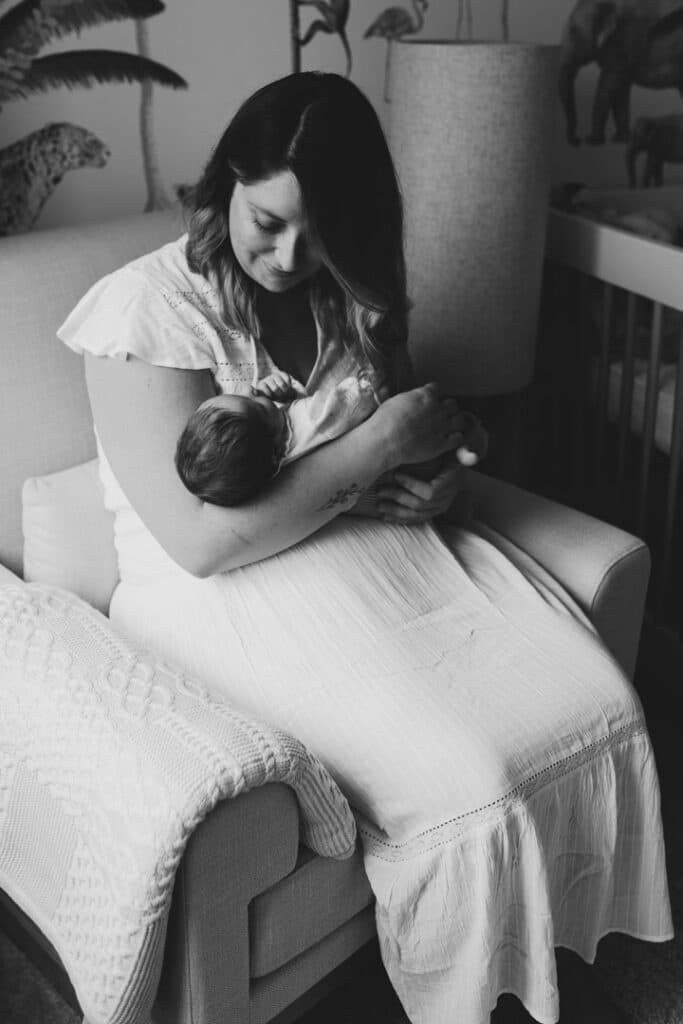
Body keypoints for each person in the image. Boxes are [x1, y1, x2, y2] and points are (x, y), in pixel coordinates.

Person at [57, 72, 672, 1024]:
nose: (289, 254)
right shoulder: (143, 313)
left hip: (366, 547)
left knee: (595, 699)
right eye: (268, 221)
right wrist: (379, 446)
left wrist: (438, 480)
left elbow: (409, 428)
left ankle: (545, 948)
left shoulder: (344, 287)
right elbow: (199, 544)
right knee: (473, 774)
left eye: (318, 230)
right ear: (226, 181)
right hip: (222, 588)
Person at [175, 367, 487, 506]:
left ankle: (461, 453)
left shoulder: (271, 461)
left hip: (384, 483)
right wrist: (365, 386)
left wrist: (279, 395)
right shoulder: (305, 422)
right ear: (271, 436)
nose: (246, 389)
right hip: (404, 467)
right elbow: (336, 411)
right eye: (249, 401)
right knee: (439, 411)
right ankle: (467, 439)